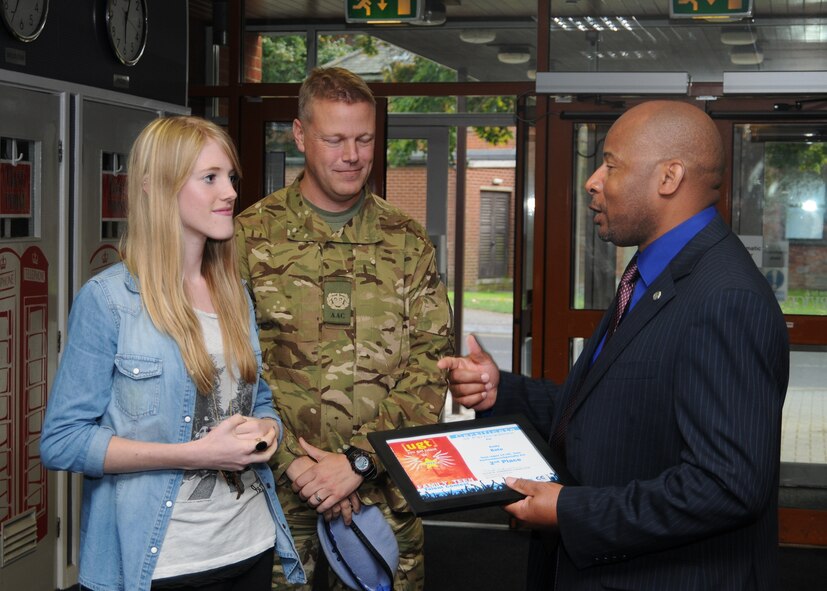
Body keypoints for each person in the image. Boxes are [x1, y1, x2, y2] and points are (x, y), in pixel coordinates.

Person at [438, 100, 789, 590]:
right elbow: (609, 410)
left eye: (611, 164)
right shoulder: (651, 271)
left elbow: (726, 487)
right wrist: (503, 392)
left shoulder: (725, 298)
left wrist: (568, 508)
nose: (593, 180)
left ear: (669, 178)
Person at [41, 116, 305, 591]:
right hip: (160, 564)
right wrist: (194, 454)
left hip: (249, 545)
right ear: (158, 187)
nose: (229, 192)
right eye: (210, 178)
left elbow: (257, 399)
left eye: (230, 178)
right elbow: (62, 441)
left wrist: (267, 429)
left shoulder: (233, 291)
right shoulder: (109, 301)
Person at [234, 66, 454, 591]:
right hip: (279, 496)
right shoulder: (248, 236)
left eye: (364, 139)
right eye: (334, 139)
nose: (351, 155)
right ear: (301, 135)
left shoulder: (405, 240)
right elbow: (230, 367)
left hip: (384, 492)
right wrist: (300, 468)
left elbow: (431, 362)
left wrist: (358, 461)